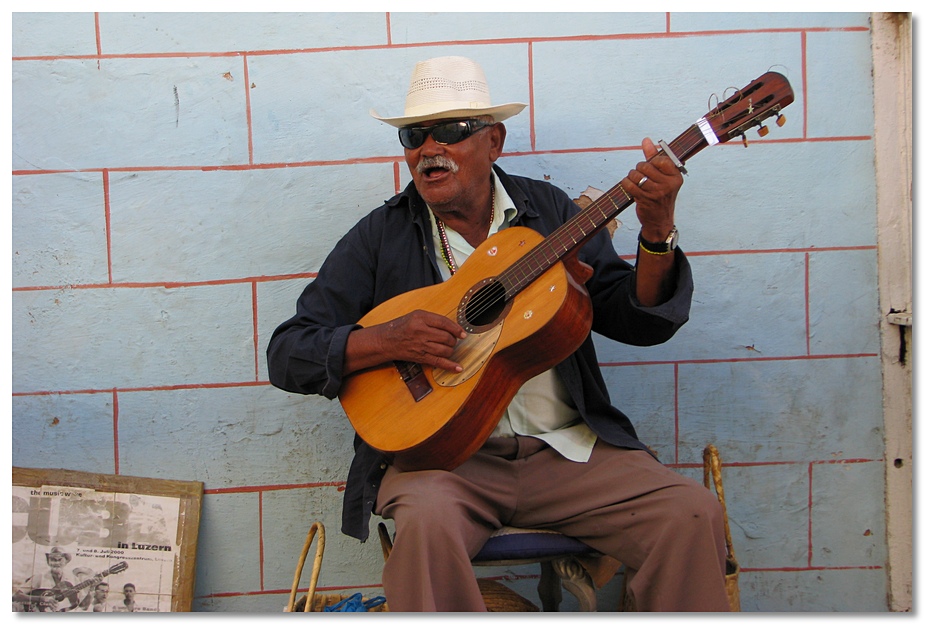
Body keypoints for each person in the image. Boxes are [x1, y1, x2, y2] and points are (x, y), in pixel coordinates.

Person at [267, 55, 729, 612]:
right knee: (427, 528)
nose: (428, 148)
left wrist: (655, 231)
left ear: (495, 142)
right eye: (415, 135)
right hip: (443, 467)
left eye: (453, 131)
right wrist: (388, 341)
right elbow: (287, 353)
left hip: (568, 453)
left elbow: (638, 321)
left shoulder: (551, 213)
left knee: (691, 513)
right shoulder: (380, 236)